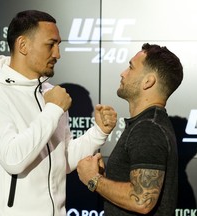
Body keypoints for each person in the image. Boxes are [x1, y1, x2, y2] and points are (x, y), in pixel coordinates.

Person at [0, 10, 117, 216]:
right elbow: (13, 160)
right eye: (51, 44)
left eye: (59, 45)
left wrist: (99, 132)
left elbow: (62, 160)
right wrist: (53, 109)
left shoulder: (48, 93)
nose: (57, 54)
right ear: (23, 45)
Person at [77, 43, 183, 216]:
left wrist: (93, 179)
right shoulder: (147, 124)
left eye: (131, 67)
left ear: (148, 81)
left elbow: (142, 200)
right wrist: (104, 177)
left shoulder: (148, 128)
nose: (123, 73)